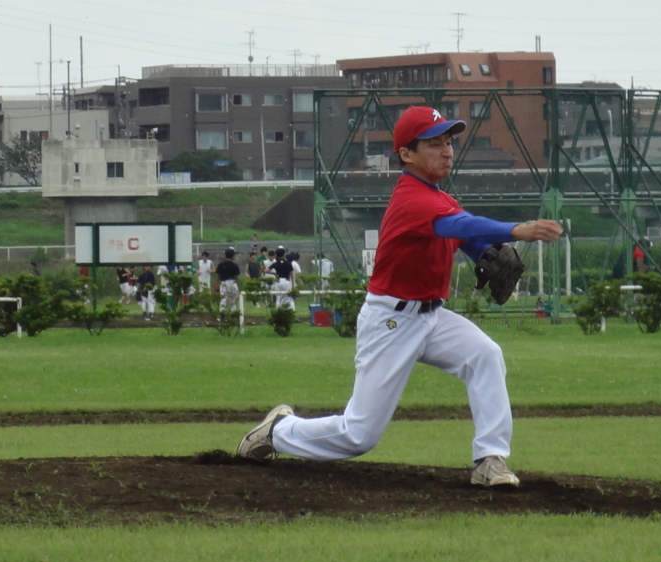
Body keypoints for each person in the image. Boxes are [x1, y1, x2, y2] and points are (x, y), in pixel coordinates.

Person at [236, 105, 563, 487]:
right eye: (433, 143)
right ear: (406, 154)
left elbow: (461, 233)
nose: (446, 150)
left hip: (431, 317)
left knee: (485, 354)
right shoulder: (412, 198)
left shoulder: (439, 197)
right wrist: (516, 230)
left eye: (448, 141)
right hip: (391, 321)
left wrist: (482, 252)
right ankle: (279, 431)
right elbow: (458, 223)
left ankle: (489, 459)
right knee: (359, 435)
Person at [216, 248, 241, 312]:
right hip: (232, 282)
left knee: (224, 299)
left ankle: (222, 313)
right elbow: (236, 277)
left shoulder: (221, 264)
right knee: (233, 299)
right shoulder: (234, 265)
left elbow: (218, 276)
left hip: (223, 282)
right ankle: (233, 313)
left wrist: (216, 284)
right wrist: (237, 285)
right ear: (232, 256)